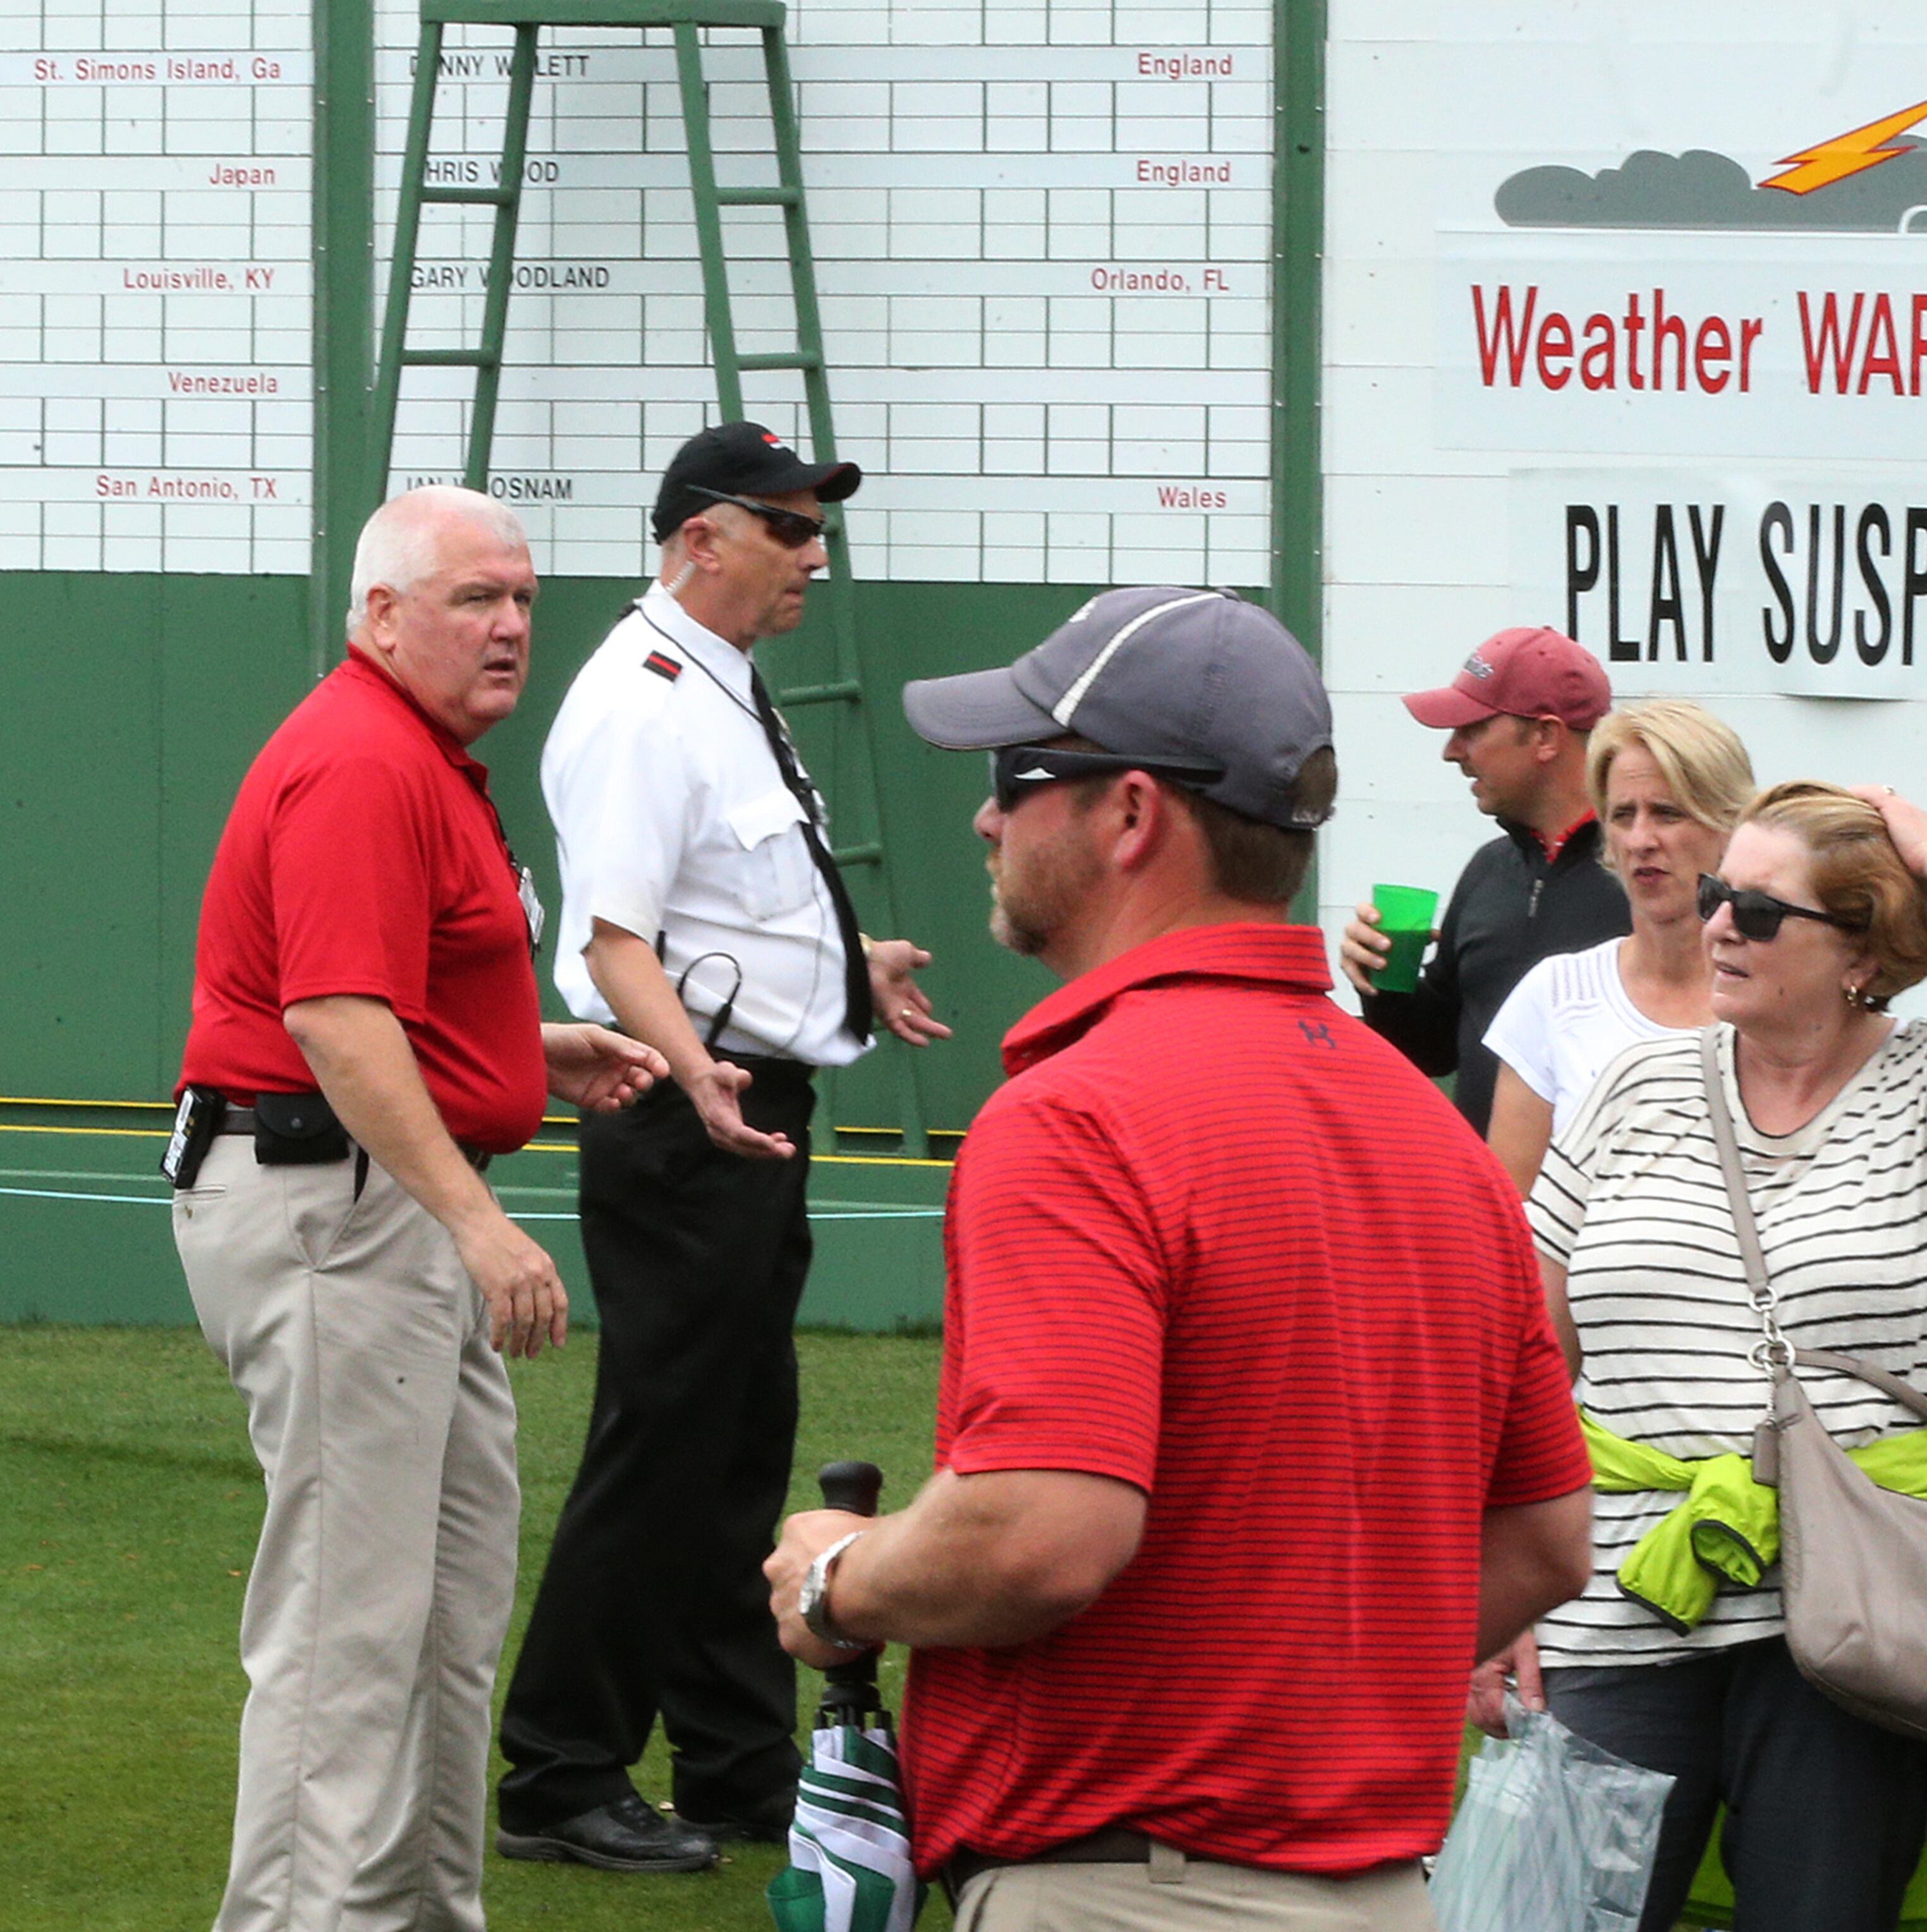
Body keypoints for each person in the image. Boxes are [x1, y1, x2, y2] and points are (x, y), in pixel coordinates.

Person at [761, 585, 1594, 1929]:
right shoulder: (1438, 1140)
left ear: (1132, 813)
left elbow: (1044, 1531)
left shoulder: (1078, 1112)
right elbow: (1548, 1536)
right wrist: (1280, 1657)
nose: (984, 814)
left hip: (1122, 1888)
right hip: (1384, 1893)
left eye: (1016, 774)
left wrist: (835, 1579)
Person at [169, 485, 668, 1932]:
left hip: (371, 1190)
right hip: (336, 1202)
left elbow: (392, 995)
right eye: (472, 598)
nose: (510, 623)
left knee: (442, 1618)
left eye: (519, 595)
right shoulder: (362, 758)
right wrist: (478, 1218)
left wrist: (529, 1053)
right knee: (348, 1634)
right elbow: (330, 1018)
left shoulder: (421, 754)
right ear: (380, 616)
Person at [1506, 779, 1927, 1932]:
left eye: (1761, 911)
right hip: (1620, 1608)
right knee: (1541, 1919)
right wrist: (1505, 1589)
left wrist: (1926, 842)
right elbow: (1526, 1346)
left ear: (1859, 945)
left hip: (1851, 1633)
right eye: (1720, 894)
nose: (1716, 922)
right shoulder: (1633, 1085)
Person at [494, 423, 948, 1873]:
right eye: (789, 525)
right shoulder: (642, 698)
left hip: (740, 1104)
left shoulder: (709, 678)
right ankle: (560, 1766)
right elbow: (614, 938)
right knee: (666, 1438)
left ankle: (739, 1760)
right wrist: (697, 1075)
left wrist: (840, 959)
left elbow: (717, 901)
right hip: (692, 1114)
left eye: (815, 525)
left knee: (735, 1438)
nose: (815, 551)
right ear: (702, 537)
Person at [1338, 626, 1632, 1131]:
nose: (1452, 751)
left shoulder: (1645, 879)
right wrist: (1383, 979)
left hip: (1609, 1201)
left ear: (1545, 737)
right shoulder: (1490, 869)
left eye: (1471, 729)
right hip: (1490, 1201)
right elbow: (1434, 1049)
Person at [1483, 698, 1754, 1193]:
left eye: (1668, 813)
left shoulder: (1773, 996)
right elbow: (1511, 1219)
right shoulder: (1556, 994)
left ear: (1729, 825)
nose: (1640, 839)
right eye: (1623, 815)